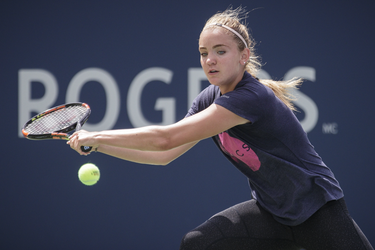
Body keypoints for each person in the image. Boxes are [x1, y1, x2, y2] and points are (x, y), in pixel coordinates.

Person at [68, 7, 373, 250]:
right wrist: (100, 146)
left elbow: (165, 139)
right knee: (198, 243)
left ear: (244, 56)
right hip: (272, 213)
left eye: (220, 51)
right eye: (203, 52)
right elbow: (166, 154)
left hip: (318, 211)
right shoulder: (208, 98)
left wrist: (96, 134)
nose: (209, 60)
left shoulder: (251, 98)